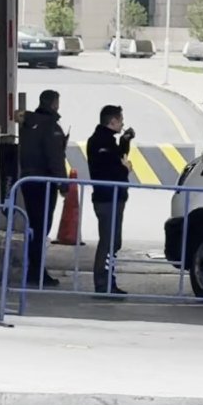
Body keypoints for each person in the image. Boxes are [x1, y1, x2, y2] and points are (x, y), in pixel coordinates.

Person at [18, 89, 67, 287]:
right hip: (44, 183)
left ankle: (33, 268)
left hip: (28, 181)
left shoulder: (29, 125)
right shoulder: (50, 127)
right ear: (54, 104)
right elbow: (55, 159)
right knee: (41, 227)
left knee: (34, 226)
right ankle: (36, 271)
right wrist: (63, 184)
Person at [86, 105, 133, 296]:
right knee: (109, 241)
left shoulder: (107, 141)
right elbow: (110, 170)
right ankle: (103, 283)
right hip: (108, 198)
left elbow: (116, 158)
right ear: (112, 121)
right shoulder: (100, 142)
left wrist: (124, 142)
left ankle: (108, 281)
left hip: (112, 197)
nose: (122, 124)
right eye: (120, 120)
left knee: (113, 241)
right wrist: (126, 169)